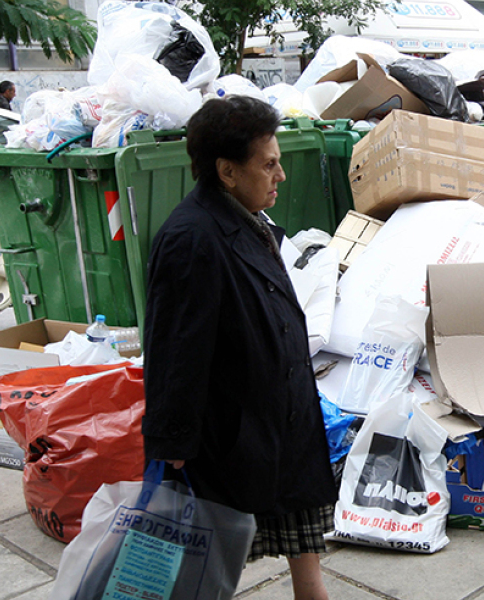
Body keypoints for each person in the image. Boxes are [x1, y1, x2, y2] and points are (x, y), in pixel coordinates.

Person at [142, 96, 337, 600]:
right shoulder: (192, 238)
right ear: (227, 171)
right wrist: (173, 446)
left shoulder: (249, 220)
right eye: (269, 165)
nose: (281, 176)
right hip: (231, 432)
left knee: (302, 535)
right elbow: (175, 350)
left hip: (278, 419)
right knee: (207, 562)